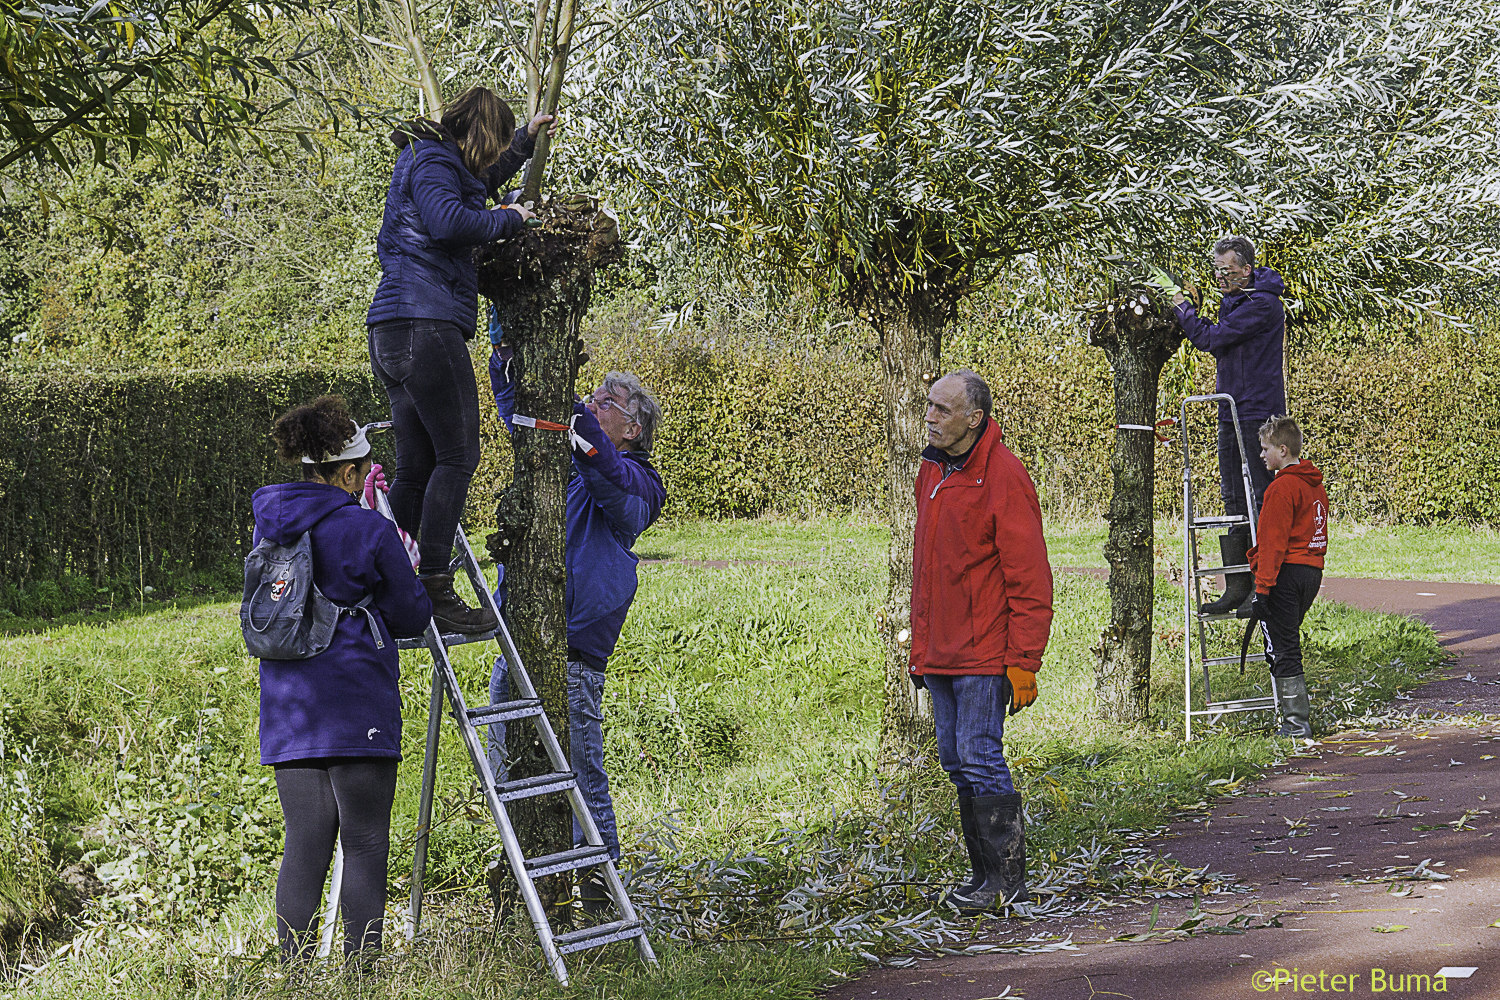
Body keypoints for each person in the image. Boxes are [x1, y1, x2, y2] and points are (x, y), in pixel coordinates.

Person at [365, 85, 556, 633]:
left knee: (419, 466)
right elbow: (452, 221)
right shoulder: (430, 161)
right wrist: (512, 219)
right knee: (458, 457)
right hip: (425, 325)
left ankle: (385, 580)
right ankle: (435, 592)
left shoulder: (438, 160)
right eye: (495, 144)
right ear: (476, 133)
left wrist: (524, 142)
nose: (495, 158)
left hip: (396, 330)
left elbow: (474, 187)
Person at [252, 396, 432, 960]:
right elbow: (412, 615)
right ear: (350, 473)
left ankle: (295, 977)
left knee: (304, 844)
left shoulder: (268, 526)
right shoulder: (368, 529)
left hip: (288, 708)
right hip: (356, 704)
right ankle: (362, 976)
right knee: (364, 842)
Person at [487, 351, 666, 912]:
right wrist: (507, 353)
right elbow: (522, 410)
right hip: (520, 638)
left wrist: (566, 403)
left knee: (582, 766)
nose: (591, 405)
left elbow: (603, 467)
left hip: (575, 649)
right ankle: (520, 872)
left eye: (605, 403)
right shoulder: (562, 463)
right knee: (504, 760)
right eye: (590, 396)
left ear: (632, 429)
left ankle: (600, 882)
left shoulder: (640, 483)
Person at [909, 370, 1053, 915]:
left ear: (975, 417)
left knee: (979, 755)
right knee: (953, 759)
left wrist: (1024, 662)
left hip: (984, 650)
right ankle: (983, 878)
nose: (930, 417)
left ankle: (1006, 881)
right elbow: (929, 569)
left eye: (942, 410)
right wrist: (920, 648)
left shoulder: (1005, 476)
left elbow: (1030, 577)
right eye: (929, 406)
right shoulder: (932, 469)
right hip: (941, 649)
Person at [1173, 235, 1288, 616]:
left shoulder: (1262, 304)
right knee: (1233, 498)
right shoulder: (1236, 300)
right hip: (1230, 409)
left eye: (1228, 271)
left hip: (1256, 413)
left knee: (1260, 497)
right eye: (1218, 271)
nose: (1221, 278)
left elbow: (1212, 338)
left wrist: (1183, 310)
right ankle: (1237, 586)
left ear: (1247, 270)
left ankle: (1264, 586)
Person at [1247, 416, 1328, 738]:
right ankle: (1296, 721)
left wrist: (1262, 589)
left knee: (1283, 648)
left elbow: (1271, 543)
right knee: (1288, 642)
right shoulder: (1315, 483)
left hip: (1285, 575)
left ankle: (1296, 726)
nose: (1262, 455)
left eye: (1266, 449)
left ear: (1282, 449)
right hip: (1311, 572)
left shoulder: (1281, 487)